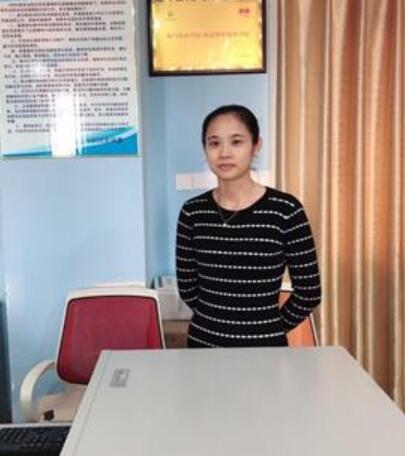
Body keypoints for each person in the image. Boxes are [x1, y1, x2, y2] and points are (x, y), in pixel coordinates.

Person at [176, 105, 321, 348]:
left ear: (256, 146)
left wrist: (270, 327)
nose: (224, 153)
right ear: (205, 149)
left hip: (264, 349)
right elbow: (187, 287)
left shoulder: (286, 210)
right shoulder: (192, 212)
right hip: (203, 347)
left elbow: (309, 292)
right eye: (214, 143)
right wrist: (217, 323)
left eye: (236, 142)